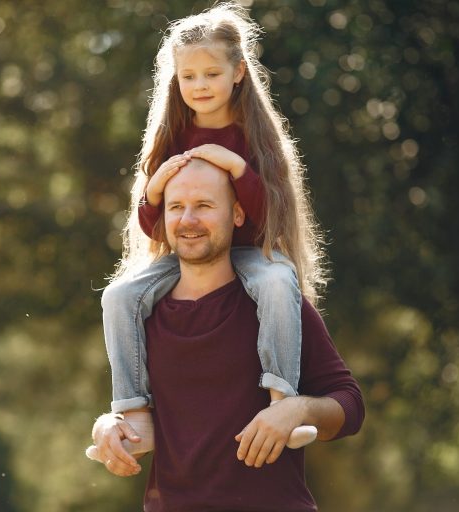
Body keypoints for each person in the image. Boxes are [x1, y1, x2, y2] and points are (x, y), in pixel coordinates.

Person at [99, 2, 327, 454]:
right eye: (188, 77)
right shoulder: (172, 135)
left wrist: (237, 168)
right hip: (188, 256)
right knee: (118, 295)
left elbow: (269, 217)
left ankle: (281, 401)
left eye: (211, 74)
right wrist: (158, 184)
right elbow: (153, 227)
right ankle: (134, 410)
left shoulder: (257, 136)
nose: (199, 86)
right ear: (175, 79)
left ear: (238, 72)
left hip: (247, 251)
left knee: (280, 282)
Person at [91, 158, 364, 511]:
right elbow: (142, 418)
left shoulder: (278, 304)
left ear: (237, 214)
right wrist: (107, 425)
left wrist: (296, 410)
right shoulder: (140, 314)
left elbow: (350, 407)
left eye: (204, 205)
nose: (188, 220)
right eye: (176, 207)